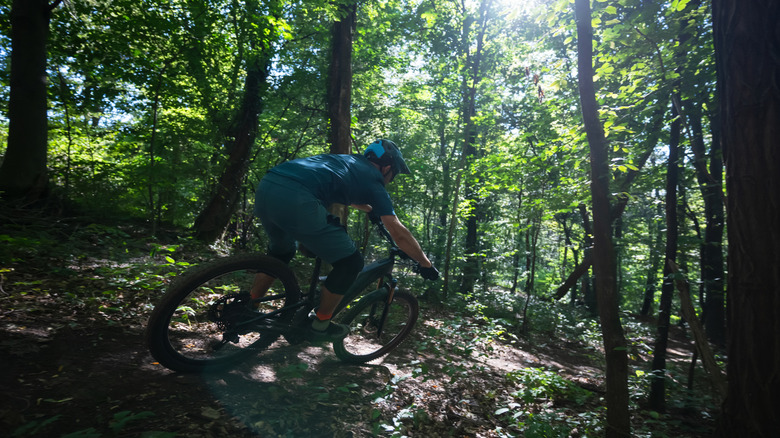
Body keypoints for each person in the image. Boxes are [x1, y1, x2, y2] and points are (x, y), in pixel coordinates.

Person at [251, 139, 439, 341]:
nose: (391, 179)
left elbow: (345, 194)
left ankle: (249, 306)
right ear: (386, 167)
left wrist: (370, 209)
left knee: (281, 253)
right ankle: (320, 325)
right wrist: (425, 263)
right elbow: (398, 232)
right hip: (297, 198)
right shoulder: (374, 180)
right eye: (394, 173)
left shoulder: (347, 162)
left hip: (268, 185)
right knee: (351, 263)